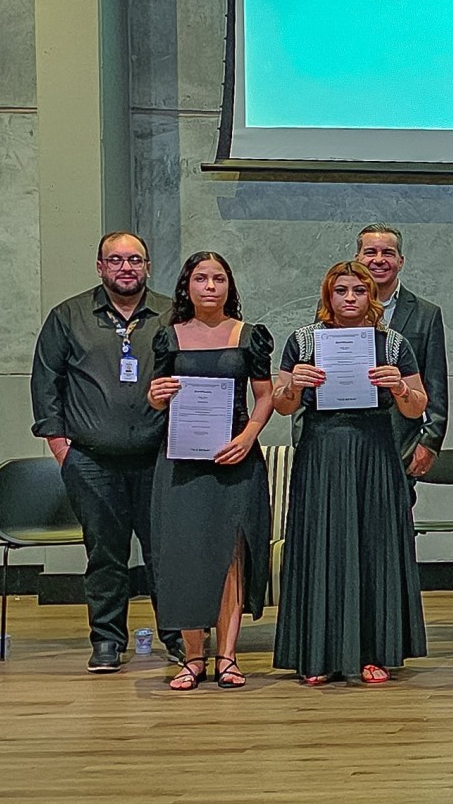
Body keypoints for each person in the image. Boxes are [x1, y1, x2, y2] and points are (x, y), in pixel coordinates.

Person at [269, 260, 430, 686]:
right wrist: (295, 385)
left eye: (358, 290)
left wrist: (399, 387)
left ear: (371, 295)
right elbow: (282, 405)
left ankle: (375, 652)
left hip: (375, 450)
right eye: (341, 291)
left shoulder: (392, 344)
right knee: (320, 544)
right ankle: (317, 655)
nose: (350, 298)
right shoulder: (303, 341)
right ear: (328, 296)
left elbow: (417, 406)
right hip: (320, 450)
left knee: (374, 546)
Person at [29, 231, 175, 672]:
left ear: (147, 266)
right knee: (106, 555)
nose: (125, 268)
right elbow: (46, 382)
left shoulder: (171, 314)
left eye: (135, 260)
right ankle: (107, 640)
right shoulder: (68, 316)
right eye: (115, 260)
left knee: (165, 552)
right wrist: (62, 448)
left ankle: (177, 637)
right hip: (91, 461)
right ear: (100, 267)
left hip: (159, 458)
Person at [144, 251, 274, 690]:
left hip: (234, 460)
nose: (210, 286)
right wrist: (156, 397)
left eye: (219, 278)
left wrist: (249, 437)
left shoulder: (249, 336)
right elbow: (156, 397)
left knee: (229, 559)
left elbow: (265, 396)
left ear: (229, 286)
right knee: (184, 557)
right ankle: (193, 658)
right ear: (187, 286)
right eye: (201, 278)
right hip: (182, 462)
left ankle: (228, 657)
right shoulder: (168, 338)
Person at [356, 224, 448, 482]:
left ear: (400, 261)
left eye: (388, 253)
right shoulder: (333, 309)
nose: (378, 260)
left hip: (402, 443)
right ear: (357, 259)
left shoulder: (426, 314)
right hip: (344, 440)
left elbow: (436, 384)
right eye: (370, 252)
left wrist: (429, 442)